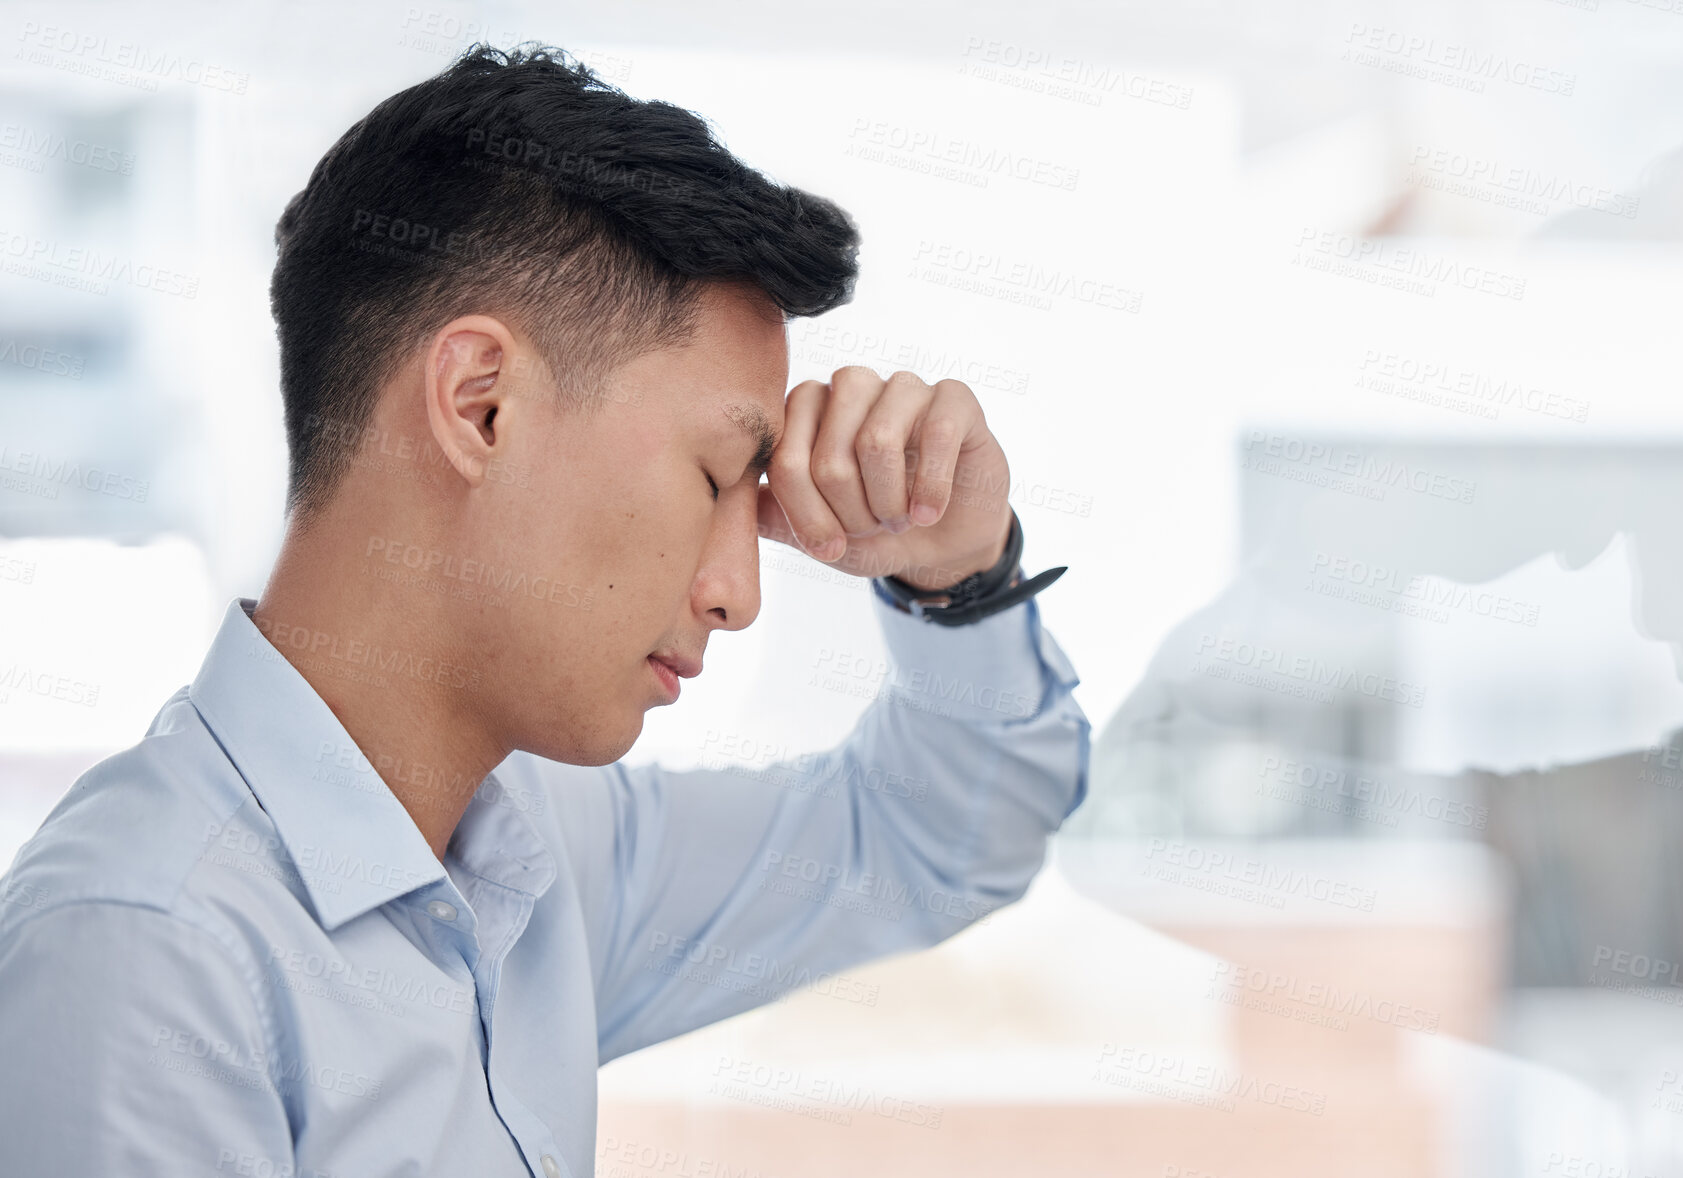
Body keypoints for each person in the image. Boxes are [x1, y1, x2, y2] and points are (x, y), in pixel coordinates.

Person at [0, 43, 1090, 1178]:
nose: (739, 591)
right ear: (480, 406)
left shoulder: (539, 847)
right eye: (716, 479)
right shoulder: (145, 952)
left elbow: (936, 836)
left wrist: (955, 577)